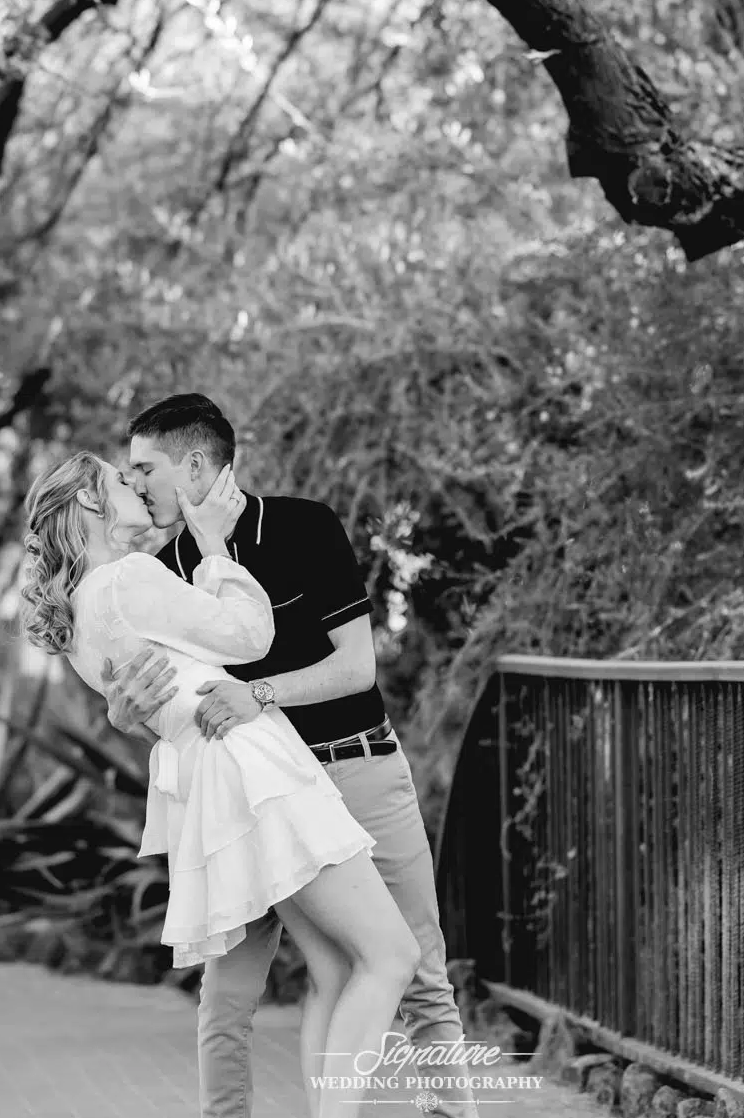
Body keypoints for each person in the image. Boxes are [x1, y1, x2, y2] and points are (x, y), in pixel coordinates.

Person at [105, 394, 475, 1118]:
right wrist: (125, 713)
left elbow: (357, 666)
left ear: (196, 464)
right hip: (256, 798)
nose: (135, 482)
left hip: (358, 769)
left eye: (144, 468)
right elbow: (177, 709)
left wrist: (260, 694)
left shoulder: (305, 527)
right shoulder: (168, 570)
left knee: (419, 972)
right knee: (226, 999)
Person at [20, 451, 419, 1118]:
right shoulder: (127, 578)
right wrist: (211, 543)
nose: (136, 487)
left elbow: (154, 708)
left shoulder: (81, 619)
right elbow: (250, 635)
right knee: (392, 956)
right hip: (254, 766)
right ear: (88, 503)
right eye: (120, 480)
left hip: (216, 779)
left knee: (335, 970)